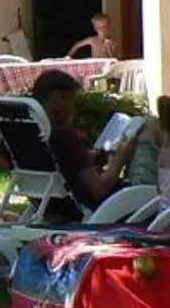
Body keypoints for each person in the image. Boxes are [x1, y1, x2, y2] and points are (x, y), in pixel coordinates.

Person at [30, 67, 144, 210]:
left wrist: (88, 158)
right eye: (71, 101)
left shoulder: (33, 135)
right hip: (99, 207)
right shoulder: (65, 138)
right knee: (150, 125)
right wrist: (121, 157)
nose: (73, 108)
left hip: (49, 204)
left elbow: (69, 165)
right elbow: (99, 190)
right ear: (57, 97)